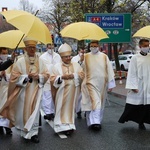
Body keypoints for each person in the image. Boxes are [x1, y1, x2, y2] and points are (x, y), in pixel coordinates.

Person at [0, 37, 49, 143]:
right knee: (24, 112)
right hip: (23, 92)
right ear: (25, 49)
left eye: (34, 47)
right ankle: (24, 131)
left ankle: (34, 133)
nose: (32, 49)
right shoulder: (20, 61)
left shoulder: (41, 61)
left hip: (36, 91)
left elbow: (46, 74)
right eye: (30, 47)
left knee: (34, 114)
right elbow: (14, 77)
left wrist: (39, 76)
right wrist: (26, 77)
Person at [81, 40, 116, 131]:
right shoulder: (86, 56)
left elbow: (109, 69)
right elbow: (81, 69)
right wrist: (81, 61)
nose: (93, 47)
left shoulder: (104, 57)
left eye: (95, 46)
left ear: (98, 46)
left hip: (102, 84)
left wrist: (111, 83)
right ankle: (95, 122)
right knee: (95, 101)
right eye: (91, 46)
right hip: (90, 83)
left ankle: (95, 121)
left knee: (99, 102)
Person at [50, 43, 84, 135]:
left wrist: (73, 75)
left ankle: (70, 126)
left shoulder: (76, 65)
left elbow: (82, 75)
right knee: (61, 108)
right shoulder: (56, 66)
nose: (69, 58)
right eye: (66, 57)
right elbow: (52, 79)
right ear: (62, 58)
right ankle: (61, 126)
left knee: (71, 108)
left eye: (69, 56)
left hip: (73, 91)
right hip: (60, 92)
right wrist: (62, 77)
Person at [118, 39, 150, 130]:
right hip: (139, 85)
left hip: (148, 85)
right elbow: (131, 72)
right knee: (137, 105)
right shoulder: (135, 58)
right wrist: (133, 86)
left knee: (147, 106)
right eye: (145, 45)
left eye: (148, 45)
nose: (147, 47)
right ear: (140, 47)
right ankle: (140, 122)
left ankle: (143, 121)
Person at [40, 43, 61, 121]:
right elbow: (41, 67)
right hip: (47, 79)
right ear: (46, 47)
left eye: (52, 45)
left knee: (54, 96)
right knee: (47, 95)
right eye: (49, 46)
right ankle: (48, 112)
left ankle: (53, 111)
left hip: (56, 79)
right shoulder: (42, 57)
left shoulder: (57, 56)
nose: (51, 47)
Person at [0, 48, 12, 135]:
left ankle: (7, 126)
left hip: (6, 88)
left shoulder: (10, 63)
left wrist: (6, 75)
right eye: (3, 53)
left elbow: (13, 74)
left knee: (7, 107)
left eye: (6, 53)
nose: (4, 55)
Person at [71, 47, 85, 118]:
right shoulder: (74, 59)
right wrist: (80, 61)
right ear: (78, 51)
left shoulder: (88, 57)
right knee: (78, 96)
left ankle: (86, 110)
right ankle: (78, 109)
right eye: (81, 51)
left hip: (86, 79)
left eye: (83, 51)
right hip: (78, 79)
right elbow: (75, 68)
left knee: (86, 95)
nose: (82, 52)